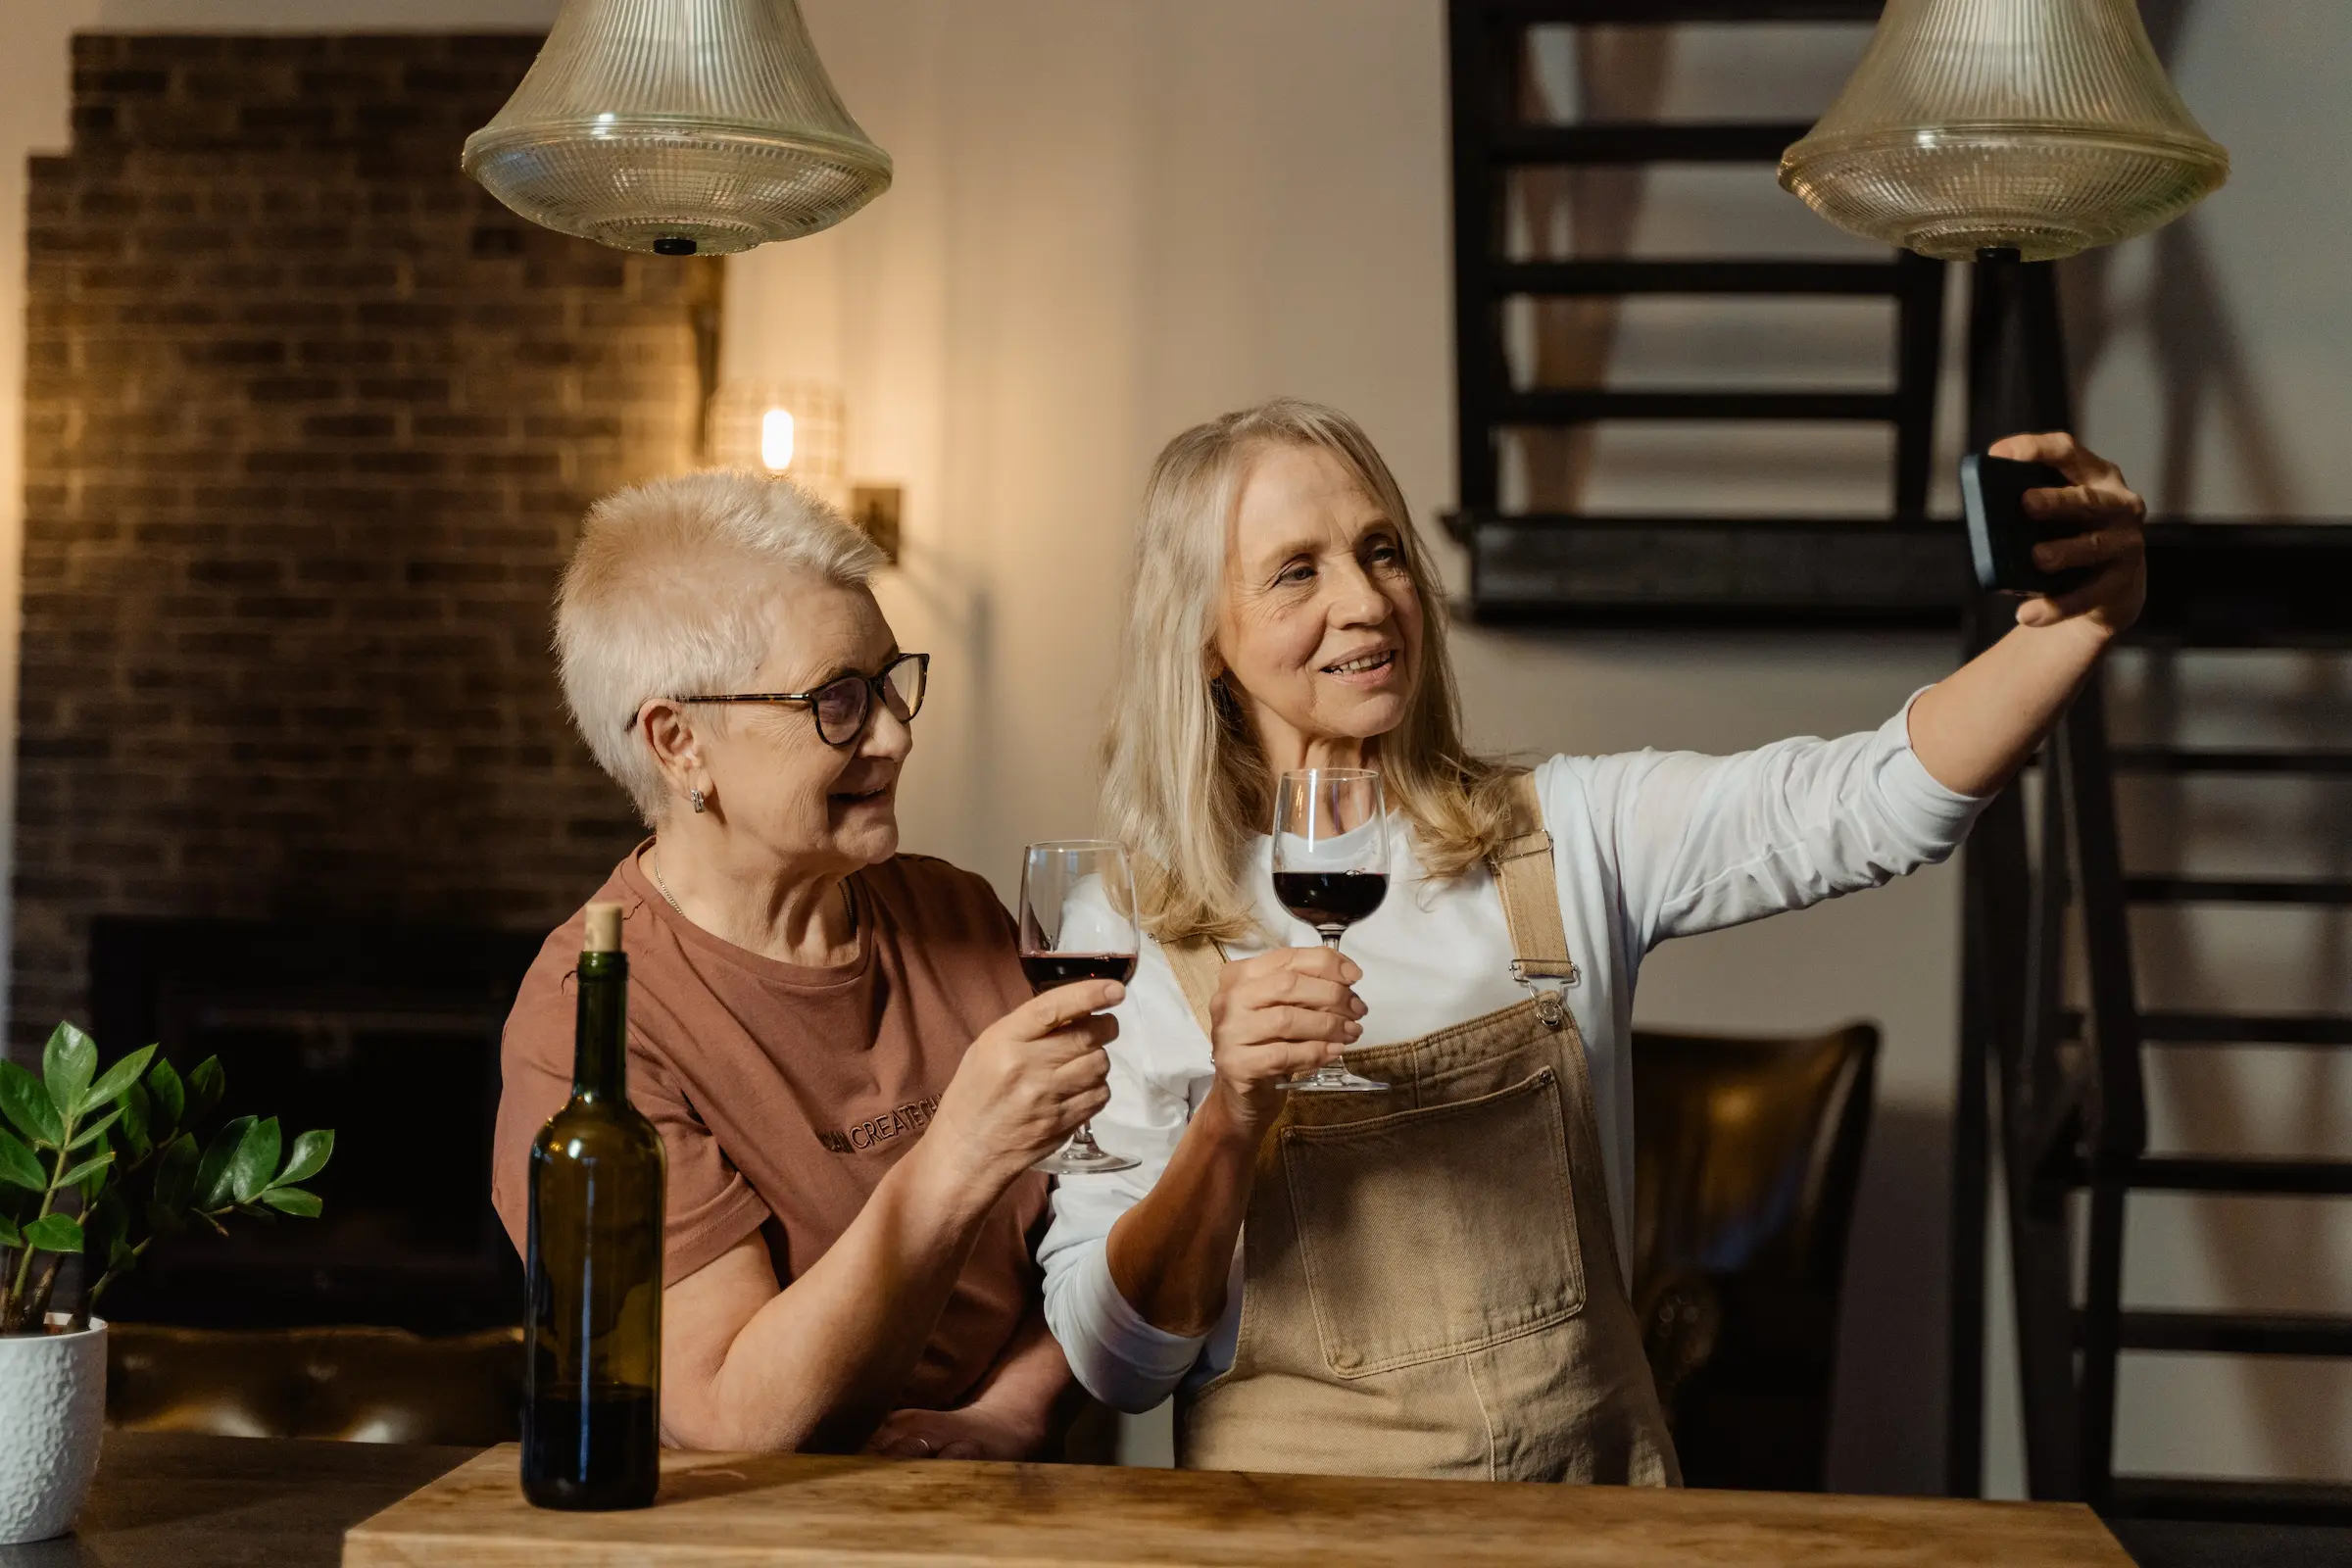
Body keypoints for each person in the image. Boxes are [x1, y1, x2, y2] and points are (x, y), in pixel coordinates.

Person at [1039, 398, 2146, 1483]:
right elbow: (1118, 1362)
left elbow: (1875, 801)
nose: (1367, 601)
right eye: (1297, 571)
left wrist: (2084, 623)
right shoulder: (1131, 930)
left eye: (1381, 552)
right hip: (1297, 1539)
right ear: (1205, 638)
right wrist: (1231, 1121)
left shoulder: (1565, 831)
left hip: (1589, 1518)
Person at [492, 470, 1118, 1459]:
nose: (897, 733)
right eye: (838, 700)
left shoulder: (955, 913)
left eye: (889, 681)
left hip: (1026, 1501)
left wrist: (1012, 1408)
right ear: (679, 742)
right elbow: (733, 1417)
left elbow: (1102, 1232)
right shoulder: (592, 1016)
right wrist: (954, 1157)